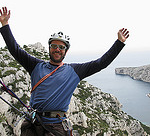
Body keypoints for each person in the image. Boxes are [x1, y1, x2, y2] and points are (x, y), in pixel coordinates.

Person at [0, 7, 129, 136]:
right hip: (33, 123)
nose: (57, 49)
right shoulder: (36, 66)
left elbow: (101, 63)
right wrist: (5, 25)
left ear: (66, 51)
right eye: (54, 46)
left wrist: (119, 43)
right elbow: (15, 49)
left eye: (61, 47)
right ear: (49, 48)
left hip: (56, 126)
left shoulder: (74, 71)